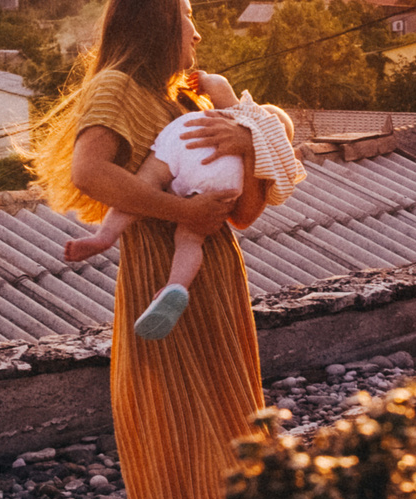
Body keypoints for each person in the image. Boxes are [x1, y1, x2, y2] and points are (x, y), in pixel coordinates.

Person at [36, 0, 273, 499]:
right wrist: (180, 209)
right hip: (162, 287)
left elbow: (244, 211)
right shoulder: (114, 87)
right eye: (190, 20)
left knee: (182, 444)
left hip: (206, 289)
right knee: (192, 455)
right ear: (158, 22)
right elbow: (90, 169)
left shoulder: (180, 100)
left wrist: (249, 132)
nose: (199, 36)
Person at [56, 65, 305, 340]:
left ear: (260, 111)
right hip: (227, 179)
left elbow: (219, 85)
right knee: (190, 237)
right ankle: (175, 286)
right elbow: (244, 213)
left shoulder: (244, 113)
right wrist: (253, 150)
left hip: (190, 141)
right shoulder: (265, 158)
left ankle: (104, 236)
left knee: (146, 182)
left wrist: (205, 79)